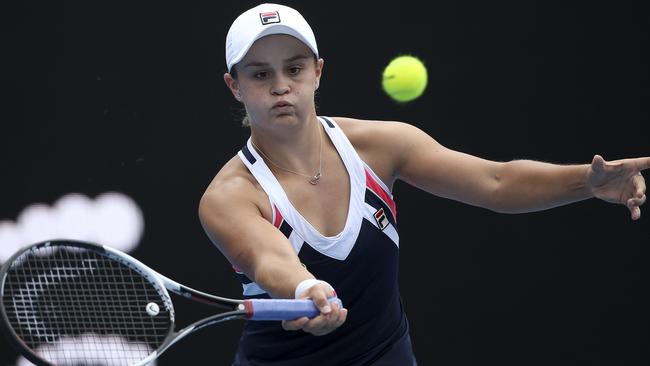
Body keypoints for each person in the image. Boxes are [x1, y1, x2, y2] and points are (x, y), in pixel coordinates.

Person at [198, 3, 648, 365]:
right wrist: (303, 289)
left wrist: (585, 184)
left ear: (317, 71)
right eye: (259, 74)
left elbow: (495, 181)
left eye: (293, 69)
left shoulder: (381, 145)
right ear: (233, 85)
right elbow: (269, 259)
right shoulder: (229, 196)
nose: (281, 86)